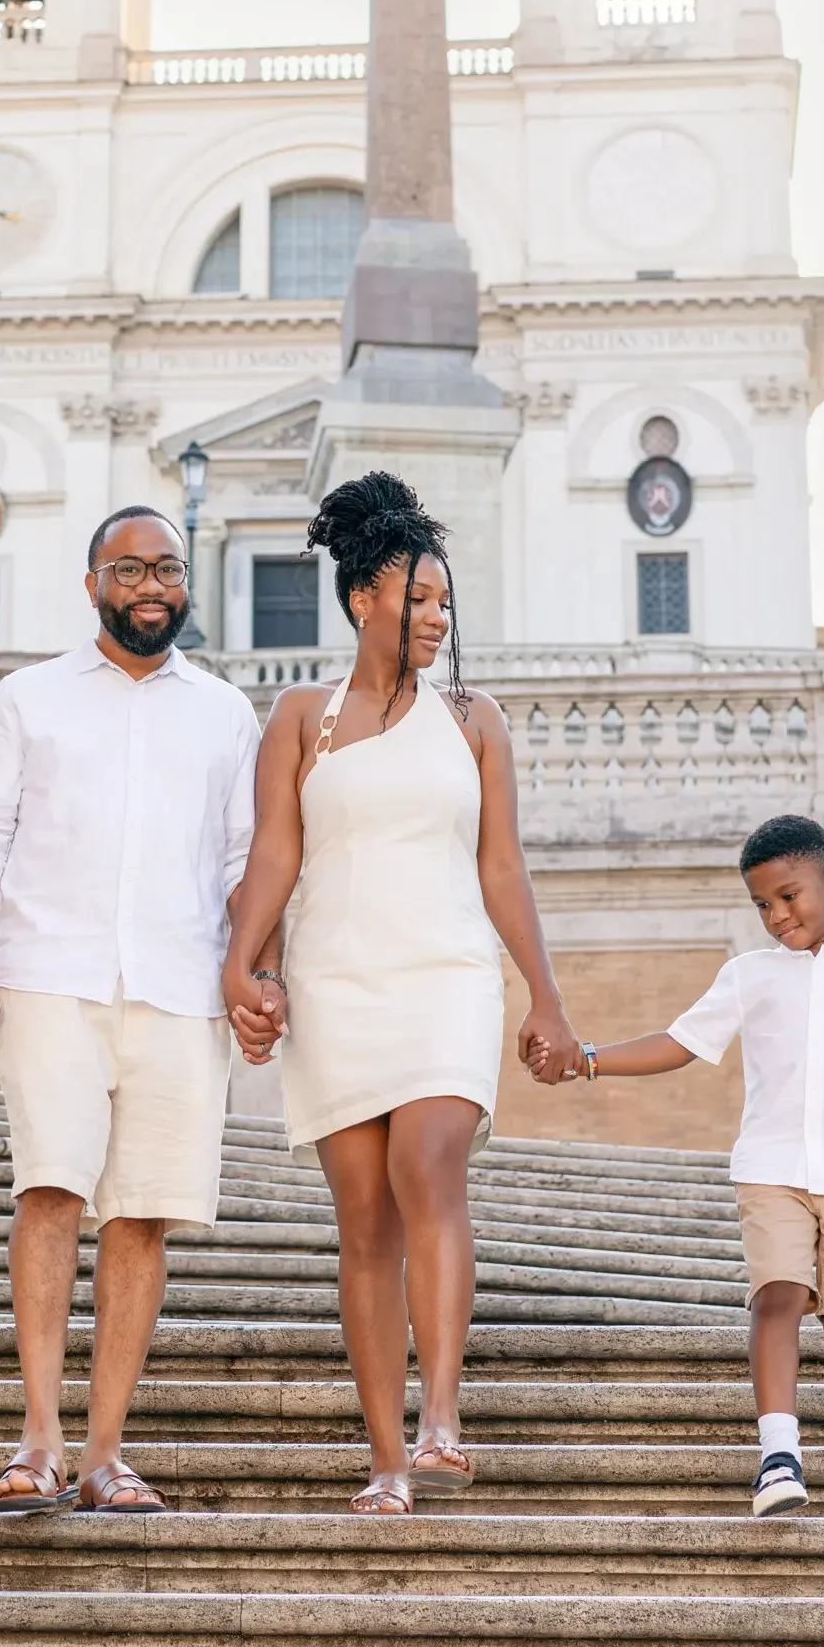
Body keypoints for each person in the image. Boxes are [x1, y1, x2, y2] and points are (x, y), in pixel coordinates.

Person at [223, 473, 579, 1515]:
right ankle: (385, 1460)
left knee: (430, 1164)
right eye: (418, 600)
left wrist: (542, 996)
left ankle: (439, 1415)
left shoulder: (475, 720)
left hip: (447, 975)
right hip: (336, 983)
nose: (436, 618)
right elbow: (275, 854)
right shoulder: (299, 718)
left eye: (442, 604)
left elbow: (501, 868)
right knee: (363, 1224)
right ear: (361, 602)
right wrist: (241, 964)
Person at [0, 507, 276, 1515]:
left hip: (179, 989)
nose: (150, 585)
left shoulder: (225, 713)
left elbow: (243, 861)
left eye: (166, 567)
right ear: (91, 584)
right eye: (128, 568)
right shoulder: (26, 698)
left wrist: (254, 971)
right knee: (49, 1189)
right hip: (49, 976)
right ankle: (37, 1439)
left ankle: (102, 1453)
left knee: (141, 1216)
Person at [529, 812, 824, 1521]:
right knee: (775, 1295)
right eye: (761, 904)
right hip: (772, 1168)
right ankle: (778, 1454)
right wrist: (586, 1059)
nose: (775, 916)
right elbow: (679, 1042)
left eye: (788, 897)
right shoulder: (748, 976)